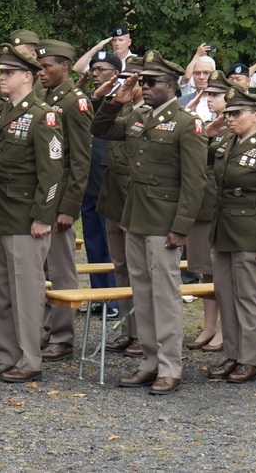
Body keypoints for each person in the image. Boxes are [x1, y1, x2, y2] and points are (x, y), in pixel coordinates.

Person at [91, 50, 207, 395]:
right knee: (141, 292)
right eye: (142, 80)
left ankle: (170, 367)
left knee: (165, 294)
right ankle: (149, 361)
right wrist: (114, 103)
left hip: (164, 221)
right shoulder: (139, 115)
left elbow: (194, 180)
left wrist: (181, 226)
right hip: (135, 217)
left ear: (170, 85)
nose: (143, 85)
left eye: (150, 81)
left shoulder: (187, 123)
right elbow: (99, 129)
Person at [0, 43, 63, 383]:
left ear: (27, 77)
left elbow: (52, 174)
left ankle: (30, 359)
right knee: (1, 291)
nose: (0, 78)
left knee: (26, 292)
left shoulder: (42, 115)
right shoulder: (0, 110)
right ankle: (8, 355)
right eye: (0, 72)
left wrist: (42, 217)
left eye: (7, 73)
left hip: (25, 217)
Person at [206, 86, 256, 384]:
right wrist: (208, 134)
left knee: (249, 298)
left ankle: (250, 359)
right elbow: (202, 157)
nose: (229, 118)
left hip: (251, 235)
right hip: (224, 231)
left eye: (236, 113)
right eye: (228, 113)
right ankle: (233, 354)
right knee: (225, 296)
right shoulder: (227, 142)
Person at [36, 39, 93, 362]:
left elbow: (80, 160)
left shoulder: (75, 103)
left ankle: (63, 335)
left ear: (64, 68)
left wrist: (70, 206)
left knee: (61, 269)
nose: (41, 72)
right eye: (40, 67)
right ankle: (46, 328)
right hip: (42, 197)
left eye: (47, 67)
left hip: (60, 200)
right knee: (42, 268)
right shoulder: (42, 98)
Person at [92, 58, 145, 357]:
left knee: (139, 268)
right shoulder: (120, 107)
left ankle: (142, 333)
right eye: (126, 76)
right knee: (121, 266)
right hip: (115, 195)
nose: (131, 83)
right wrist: (112, 99)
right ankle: (129, 329)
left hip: (136, 197)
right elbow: (96, 127)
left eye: (137, 78)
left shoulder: (149, 113)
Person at [185, 70, 234, 352]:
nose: (210, 99)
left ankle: (226, 329)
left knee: (221, 272)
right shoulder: (206, 126)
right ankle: (209, 325)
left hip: (222, 208)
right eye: (209, 94)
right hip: (202, 206)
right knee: (205, 270)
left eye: (215, 95)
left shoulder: (238, 129)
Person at [79, 51, 123, 314]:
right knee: (93, 240)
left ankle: (115, 298)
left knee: (112, 244)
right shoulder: (88, 99)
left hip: (110, 180)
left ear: (115, 73)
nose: (95, 74)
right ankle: (98, 296)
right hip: (88, 176)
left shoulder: (123, 98)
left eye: (101, 69)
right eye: (93, 69)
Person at [74, 26, 138, 75]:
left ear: (129, 42)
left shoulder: (137, 61)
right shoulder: (105, 60)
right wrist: (95, 48)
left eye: (121, 40)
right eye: (114, 40)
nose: (117, 43)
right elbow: (77, 69)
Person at [178, 50, 217, 121]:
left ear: (214, 75)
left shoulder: (224, 100)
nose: (201, 77)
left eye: (206, 73)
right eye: (197, 73)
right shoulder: (181, 102)